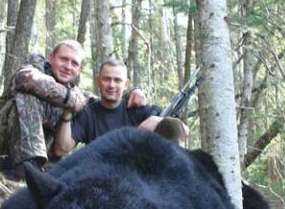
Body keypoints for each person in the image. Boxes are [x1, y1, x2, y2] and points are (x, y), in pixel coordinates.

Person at [0, 41, 146, 179]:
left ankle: (38, 171)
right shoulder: (33, 67)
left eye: (74, 63)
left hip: (46, 163)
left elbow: (105, 100)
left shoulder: (77, 93)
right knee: (27, 96)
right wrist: (70, 99)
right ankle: (26, 170)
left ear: (79, 69)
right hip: (3, 149)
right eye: (64, 59)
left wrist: (133, 92)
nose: (68, 66)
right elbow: (26, 79)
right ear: (51, 57)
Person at [53, 58, 188, 159]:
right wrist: (67, 112)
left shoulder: (138, 108)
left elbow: (183, 130)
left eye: (117, 80)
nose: (111, 85)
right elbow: (61, 150)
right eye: (107, 79)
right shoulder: (89, 113)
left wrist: (157, 119)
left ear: (126, 84)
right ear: (98, 81)